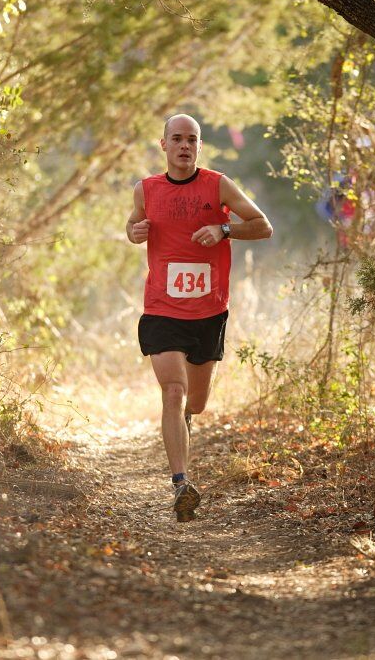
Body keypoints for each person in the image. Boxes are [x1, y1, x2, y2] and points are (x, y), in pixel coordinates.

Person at [126, 114, 272, 522]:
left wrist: (224, 229)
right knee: (172, 391)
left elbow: (263, 226)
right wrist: (133, 232)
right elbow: (133, 223)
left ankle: (189, 419)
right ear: (164, 145)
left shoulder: (218, 185)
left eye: (192, 139)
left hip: (208, 311)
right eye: (177, 139)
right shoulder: (146, 189)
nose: (184, 146)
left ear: (199, 145)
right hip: (161, 309)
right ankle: (181, 482)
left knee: (198, 402)